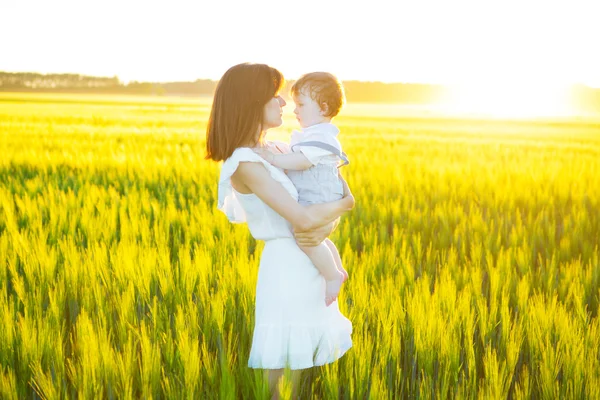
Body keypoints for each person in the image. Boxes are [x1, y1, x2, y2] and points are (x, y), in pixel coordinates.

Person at [206, 63, 354, 399]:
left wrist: (336, 204)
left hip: (306, 264)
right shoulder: (244, 161)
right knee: (279, 381)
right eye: (275, 96)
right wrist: (346, 204)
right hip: (286, 268)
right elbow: (301, 219)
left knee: (297, 371)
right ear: (251, 102)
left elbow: (320, 180)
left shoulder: (274, 148)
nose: (284, 103)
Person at [253, 72, 350, 307]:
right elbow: (298, 156)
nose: (294, 110)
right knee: (317, 237)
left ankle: (332, 275)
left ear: (324, 108)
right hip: (319, 196)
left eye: (301, 105)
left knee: (307, 239)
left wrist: (273, 158)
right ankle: (337, 268)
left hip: (318, 197)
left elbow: (303, 161)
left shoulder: (323, 136)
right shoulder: (313, 134)